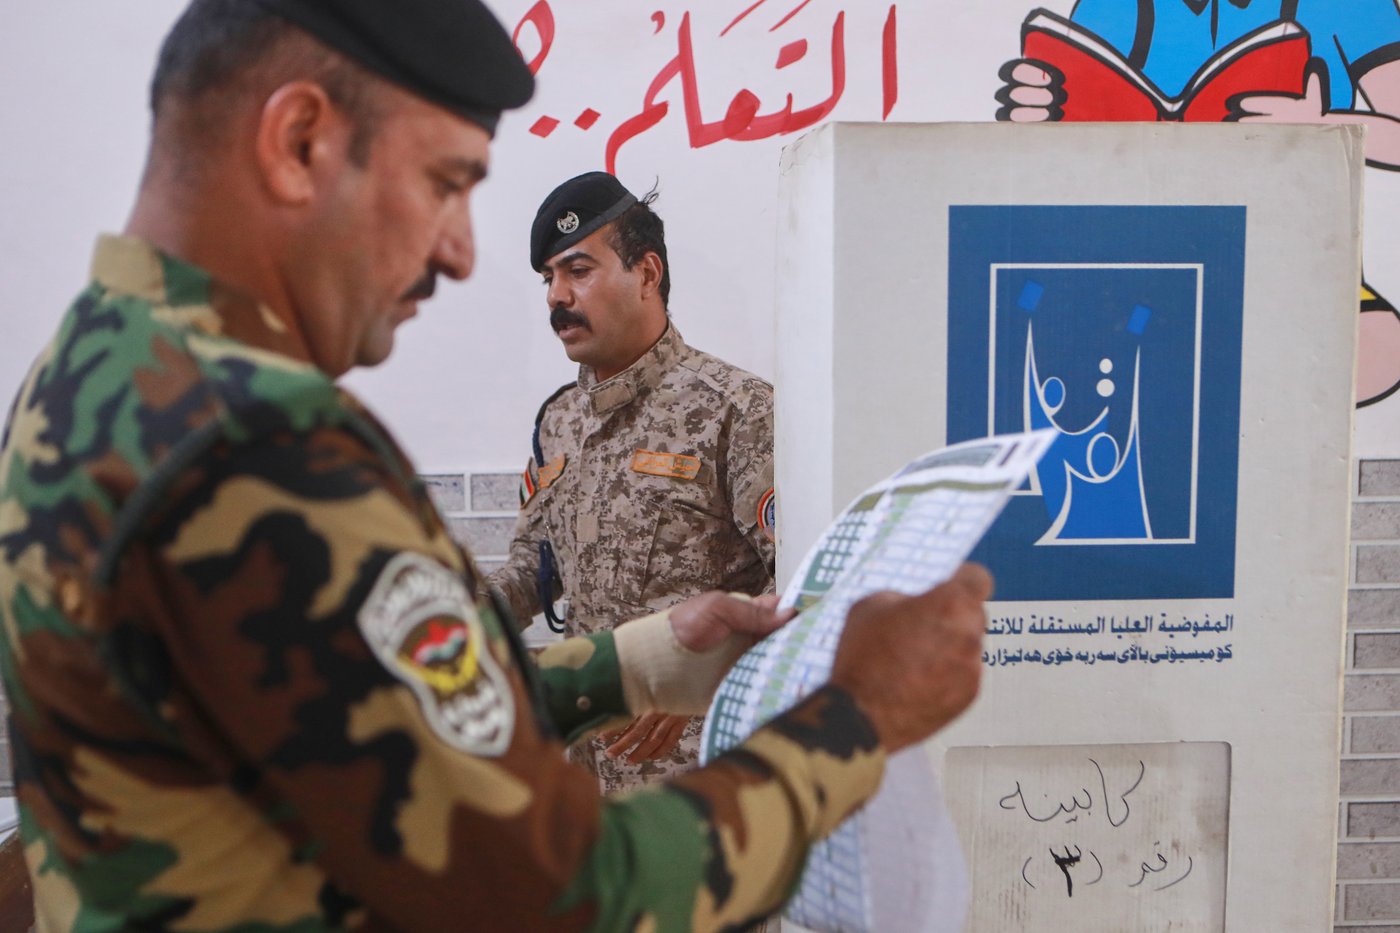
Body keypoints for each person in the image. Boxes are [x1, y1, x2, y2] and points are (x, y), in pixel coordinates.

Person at [0, 0, 990, 929]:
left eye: (575, 268)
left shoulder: (93, 370)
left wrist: (638, 662)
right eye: (443, 185)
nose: (462, 255)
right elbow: (557, 891)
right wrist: (855, 717)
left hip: (671, 767)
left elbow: (363, 711)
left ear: (645, 272)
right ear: (300, 141)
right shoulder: (266, 448)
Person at [489, 172, 776, 795]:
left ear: (647, 274)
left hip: (709, 786)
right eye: (548, 279)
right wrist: (445, 613)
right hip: (587, 779)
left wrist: (703, 678)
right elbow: (535, 568)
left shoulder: (737, 410)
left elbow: (804, 587)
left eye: (578, 270)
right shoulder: (559, 419)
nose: (556, 297)